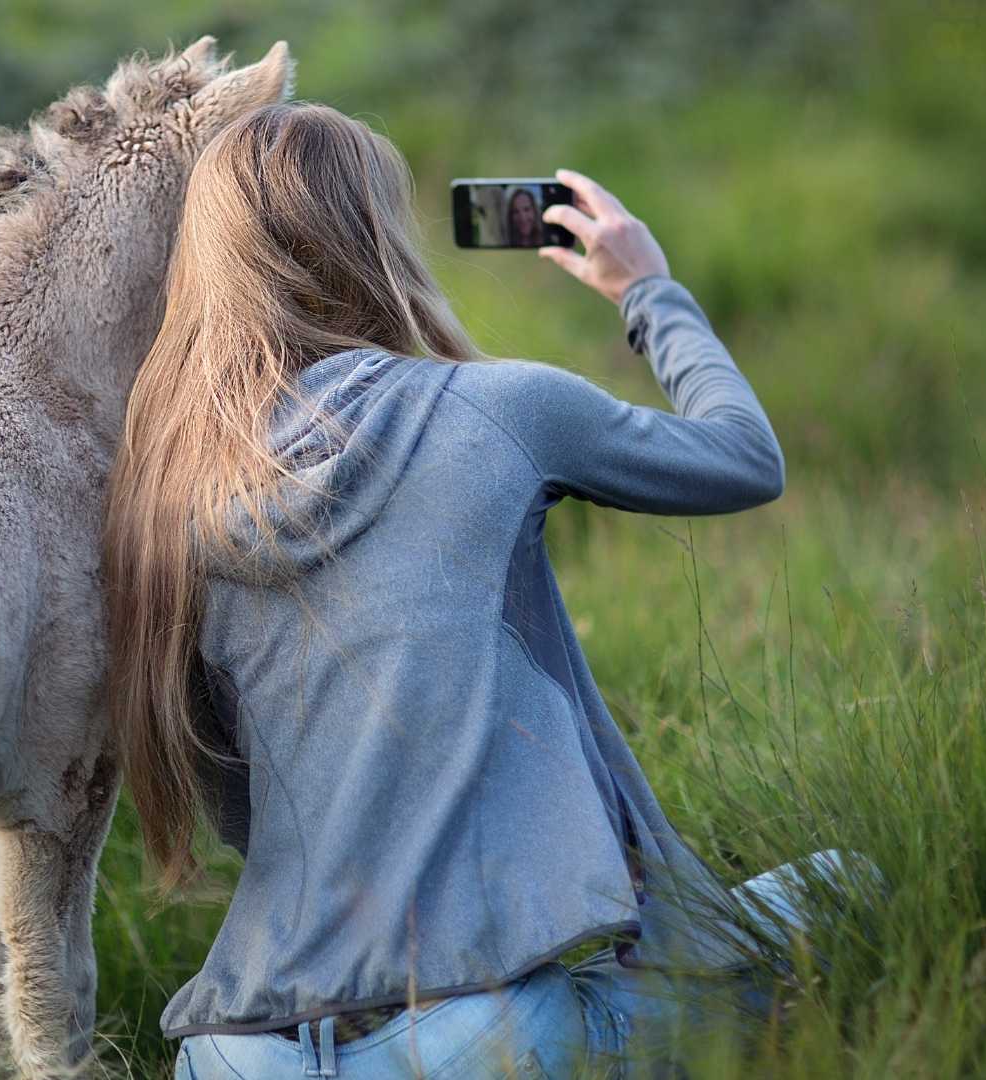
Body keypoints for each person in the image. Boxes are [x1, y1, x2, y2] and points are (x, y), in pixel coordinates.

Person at [102, 102, 869, 1078]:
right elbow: (744, 458)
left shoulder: (168, 498)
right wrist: (650, 289)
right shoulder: (500, 409)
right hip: (477, 1042)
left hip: (237, 1057)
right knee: (849, 884)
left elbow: (235, 804)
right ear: (375, 236)